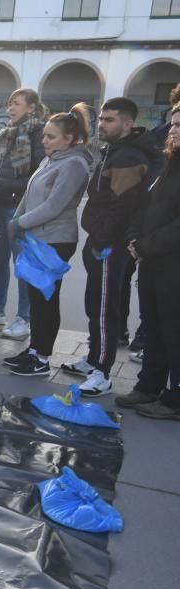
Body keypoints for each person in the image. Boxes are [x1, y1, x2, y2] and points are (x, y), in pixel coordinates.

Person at [61, 97, 159, 397]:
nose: (101, 124)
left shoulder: (128, 156)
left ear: (127, 124)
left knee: (105, 308)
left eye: (109, 120)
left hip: (110, 245)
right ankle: (93, 359)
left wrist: (103, 240)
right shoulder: (113, 150)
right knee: (95, 302)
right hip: (101, 239)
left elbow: (124, 206)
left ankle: (102, 373)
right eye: (101, 118)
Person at [1, 104, 93, 377]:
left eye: (51, 137)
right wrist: (17, 220)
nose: (45, 141)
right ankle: (33, 350)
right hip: (36, 237)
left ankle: (41, 357)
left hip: (55, 240)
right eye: (45, 136)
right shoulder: (50, 159)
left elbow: (55, 205)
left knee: (45, 299)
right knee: (36, 297)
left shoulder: (74, 164)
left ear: (69, 139)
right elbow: (30, 196)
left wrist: (18, 223)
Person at [115, 102, 180, 420]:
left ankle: (175, 399)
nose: (174, 129)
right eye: (174, 123)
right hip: (153, 261)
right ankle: (148, 387)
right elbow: (147, 205)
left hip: (173, 264)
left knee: (174, 330)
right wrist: (135, 238)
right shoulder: (169, 163)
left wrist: (147, 245)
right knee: (153, 327)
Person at [0, 88, 49, 340]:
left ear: (31, 107)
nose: (10, 108)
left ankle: (23, 318)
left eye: (16, 104)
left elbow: (38, 174)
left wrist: (18, 195)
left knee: (22, 265)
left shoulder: (38, 134)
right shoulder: (5, 133)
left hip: (18, 208)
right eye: (9, 103)